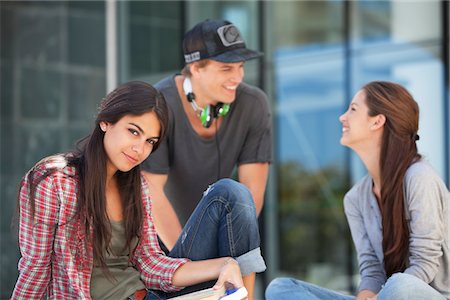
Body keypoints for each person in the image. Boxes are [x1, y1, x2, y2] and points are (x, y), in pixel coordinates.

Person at [11, 81, 262, 299]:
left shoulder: (136, 187)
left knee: (231, 195)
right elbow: (36, 268)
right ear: (106, 122)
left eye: (150, 142)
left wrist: (226, 265)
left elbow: (150, 265)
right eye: (134, 132)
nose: (139, 149)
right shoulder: (54, 181)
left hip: (149, 296)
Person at [265, 81, 450, 300]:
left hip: (428, 295)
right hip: (385, 296)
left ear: (377, 121)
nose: (342, 117)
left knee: (400, 285)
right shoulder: (355, 198)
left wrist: (383, 295)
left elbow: (424, 263)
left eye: (353, 109)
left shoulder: (420, 177)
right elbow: (372, 270)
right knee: (280, 288)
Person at [141, 19, 272, 298]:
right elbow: (151, 191)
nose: (237, 77)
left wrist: (226, 262)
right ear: (196, 68)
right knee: (229, 191)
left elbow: (251, 200)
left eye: (240, 67)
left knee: (236, 195)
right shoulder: (159, 103)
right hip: (166, 255)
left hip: (222, 247)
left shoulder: (253, 105)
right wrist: (193, 268)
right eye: (226, 68)